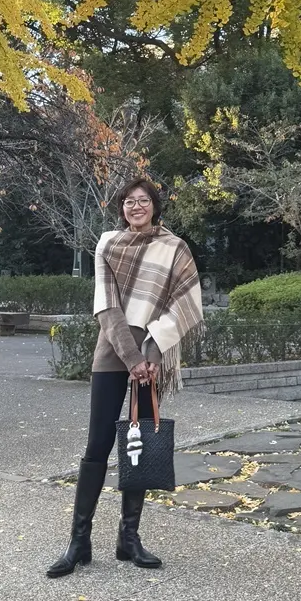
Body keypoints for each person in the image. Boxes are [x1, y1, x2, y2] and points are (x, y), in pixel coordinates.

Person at [46, 177, 203, 578]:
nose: (136, 206)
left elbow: (186, 304)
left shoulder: (175, 248)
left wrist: (150, 353)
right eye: (129, 201)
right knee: (97, 443)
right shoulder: (108, 244)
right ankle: (79, 542)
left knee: (139, 446)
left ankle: (128, 539)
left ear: (155, 206)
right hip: (113, 355)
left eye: (143, 200)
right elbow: (107, 307)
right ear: (121, 208)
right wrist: (132, 357)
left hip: (155, 357)